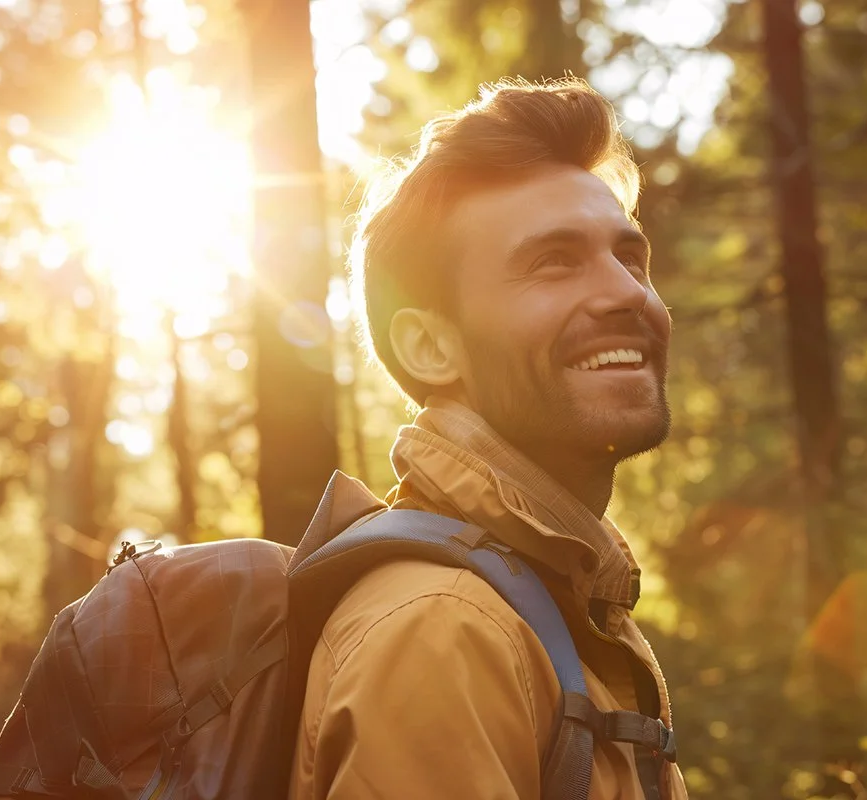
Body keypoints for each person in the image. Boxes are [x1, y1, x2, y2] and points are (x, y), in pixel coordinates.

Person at [288, 77, 688, 800]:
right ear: (432, 347)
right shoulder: (445, 629)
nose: (629, 293)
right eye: (554, 261)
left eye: (630, 258)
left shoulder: (550, 603)